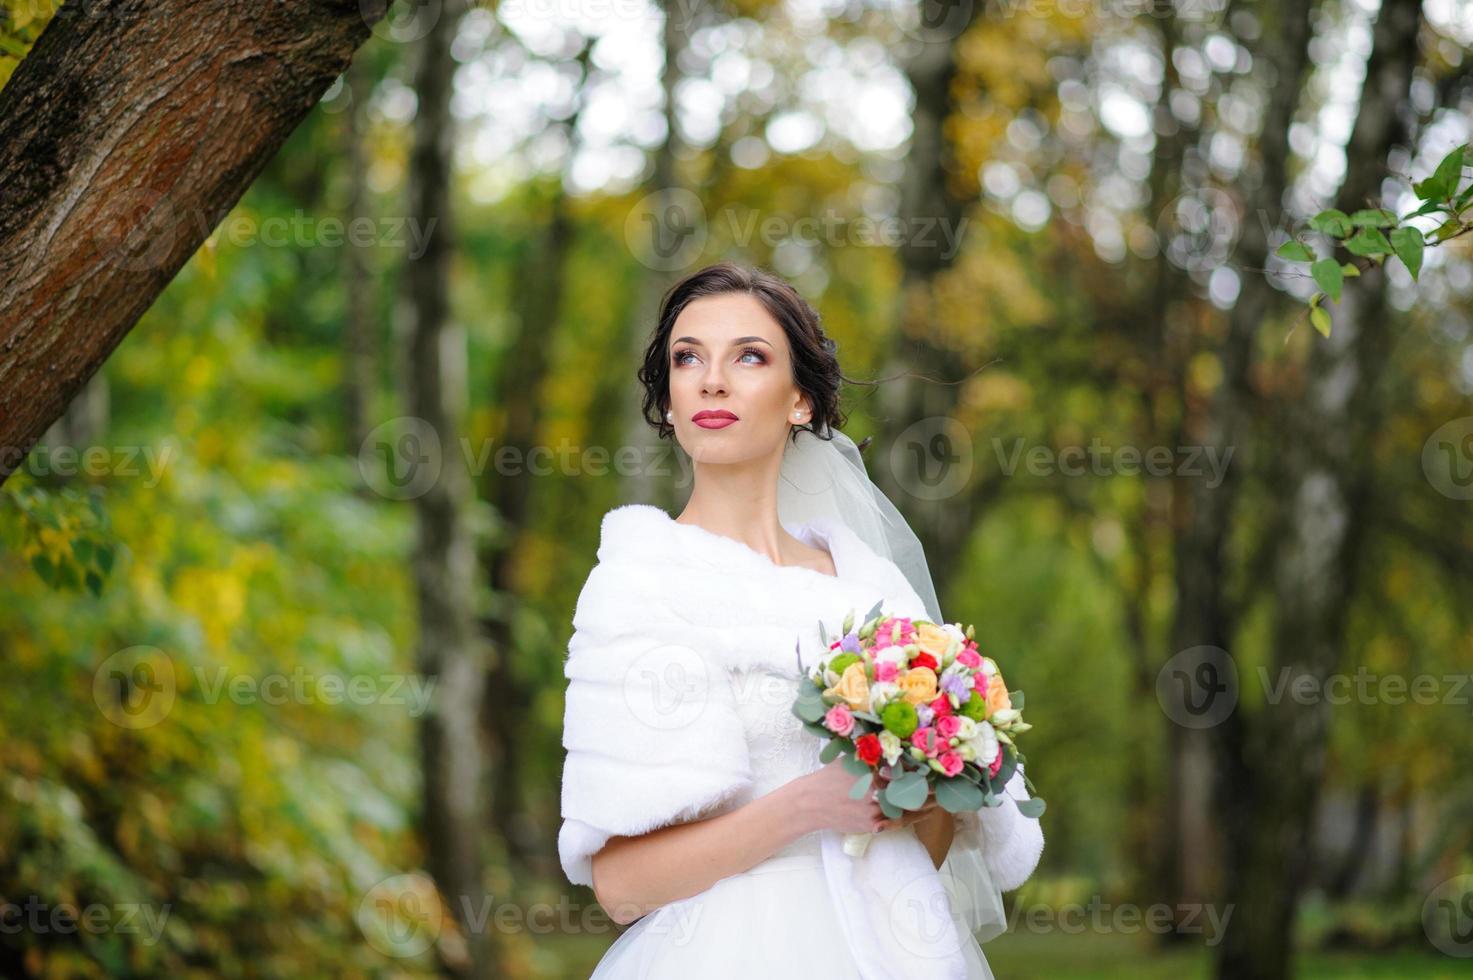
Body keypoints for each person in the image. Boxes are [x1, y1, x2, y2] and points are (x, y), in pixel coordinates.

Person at [558, 262, 1044, 978]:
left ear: (800, 401)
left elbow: (923, 838)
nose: (710, 380)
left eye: (748, 356)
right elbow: (622, 888)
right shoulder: (641, 581)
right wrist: (802, 809)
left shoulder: (868, 586)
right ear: (668, 396)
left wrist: (920, 790)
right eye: (686, 358)